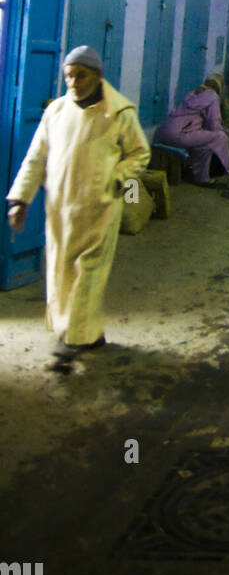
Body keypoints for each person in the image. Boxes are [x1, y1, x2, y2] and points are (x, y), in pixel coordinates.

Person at [5, 45, 150, 368]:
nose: (73, 82)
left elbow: (140, 153)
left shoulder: (119, 113)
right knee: (60, 276)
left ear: (97, 75)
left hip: (99, 210)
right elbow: (35, 158)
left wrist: (118, 177)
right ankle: (89, 333)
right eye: (68, 75)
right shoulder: (55, 112)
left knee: (88, 274)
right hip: (60, 211)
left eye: (80, 75)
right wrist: (20, 199)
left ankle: (70, 342)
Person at [154, 73, 229, 186]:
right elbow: (214, 124)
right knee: (221, 137)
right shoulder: (213, 97)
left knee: (204, 145)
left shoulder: (193, 94)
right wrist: (225, 130)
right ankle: (226, 173)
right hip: (179, 135)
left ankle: (203, 177)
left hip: (163, 132)